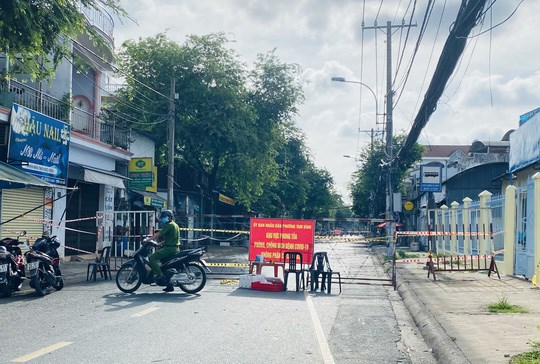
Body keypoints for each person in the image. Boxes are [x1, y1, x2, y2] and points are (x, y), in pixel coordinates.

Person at [147, 210, 180, 292]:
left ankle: (160, 275)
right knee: (165, 265)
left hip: (169, 249)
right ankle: (169, 286)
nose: (162, 219)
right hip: (175, 248)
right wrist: (159, 244)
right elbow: (171, 239)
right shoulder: (175, 225)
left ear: (169, 217)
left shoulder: (169, 225)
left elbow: (159, 234)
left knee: (151, 258)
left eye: (164, 217)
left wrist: (148, 239)